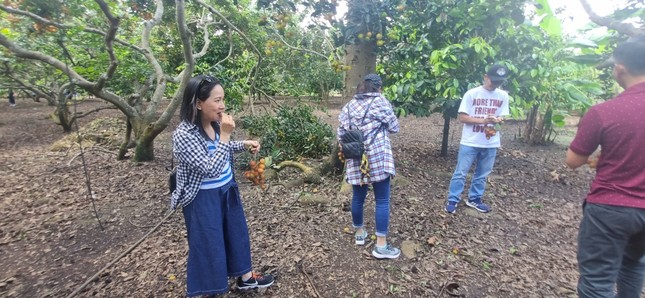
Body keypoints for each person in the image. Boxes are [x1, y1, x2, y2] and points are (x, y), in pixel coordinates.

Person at [171, 75, 274, 296]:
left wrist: (242, 144)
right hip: (202, 199)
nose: (222, 105)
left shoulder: (214, 124)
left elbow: (220, 148)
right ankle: (210, 289)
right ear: (198, 103)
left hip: (227, 190)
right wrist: (226, 135)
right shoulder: (184, 135)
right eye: (217, 100)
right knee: (210, 243)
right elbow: (209, 168)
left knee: (236, 234)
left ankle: (245, 278)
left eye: (222, 99)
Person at [565, 40, 645, 298]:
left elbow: (574, 160)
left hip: (611, 207)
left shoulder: (605, 111)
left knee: (597, 281)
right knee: (633, 265)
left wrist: (607, 156)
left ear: (620, 69)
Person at [338, 73, 401, 259]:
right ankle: (381, 246)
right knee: (382, 199)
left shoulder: (348, 106)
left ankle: (359, 234)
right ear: (378, 87)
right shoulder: (380, 102)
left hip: (356, 157)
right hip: (377, 156)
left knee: (358, 197)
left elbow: (341, 134)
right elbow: (394, 127)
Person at [444, 64, 510, 214]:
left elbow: (504, 117)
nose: (495, 84)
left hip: (491, 141)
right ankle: (453, 199)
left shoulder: (503, 96)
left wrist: (497, 119)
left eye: (499, 82)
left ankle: (474, 199)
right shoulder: (472, 94)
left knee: (482, 173)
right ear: (485, 77)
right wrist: (484, 121)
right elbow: (462, 117)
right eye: (493, 81)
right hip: (470, 140)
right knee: (461, 172)